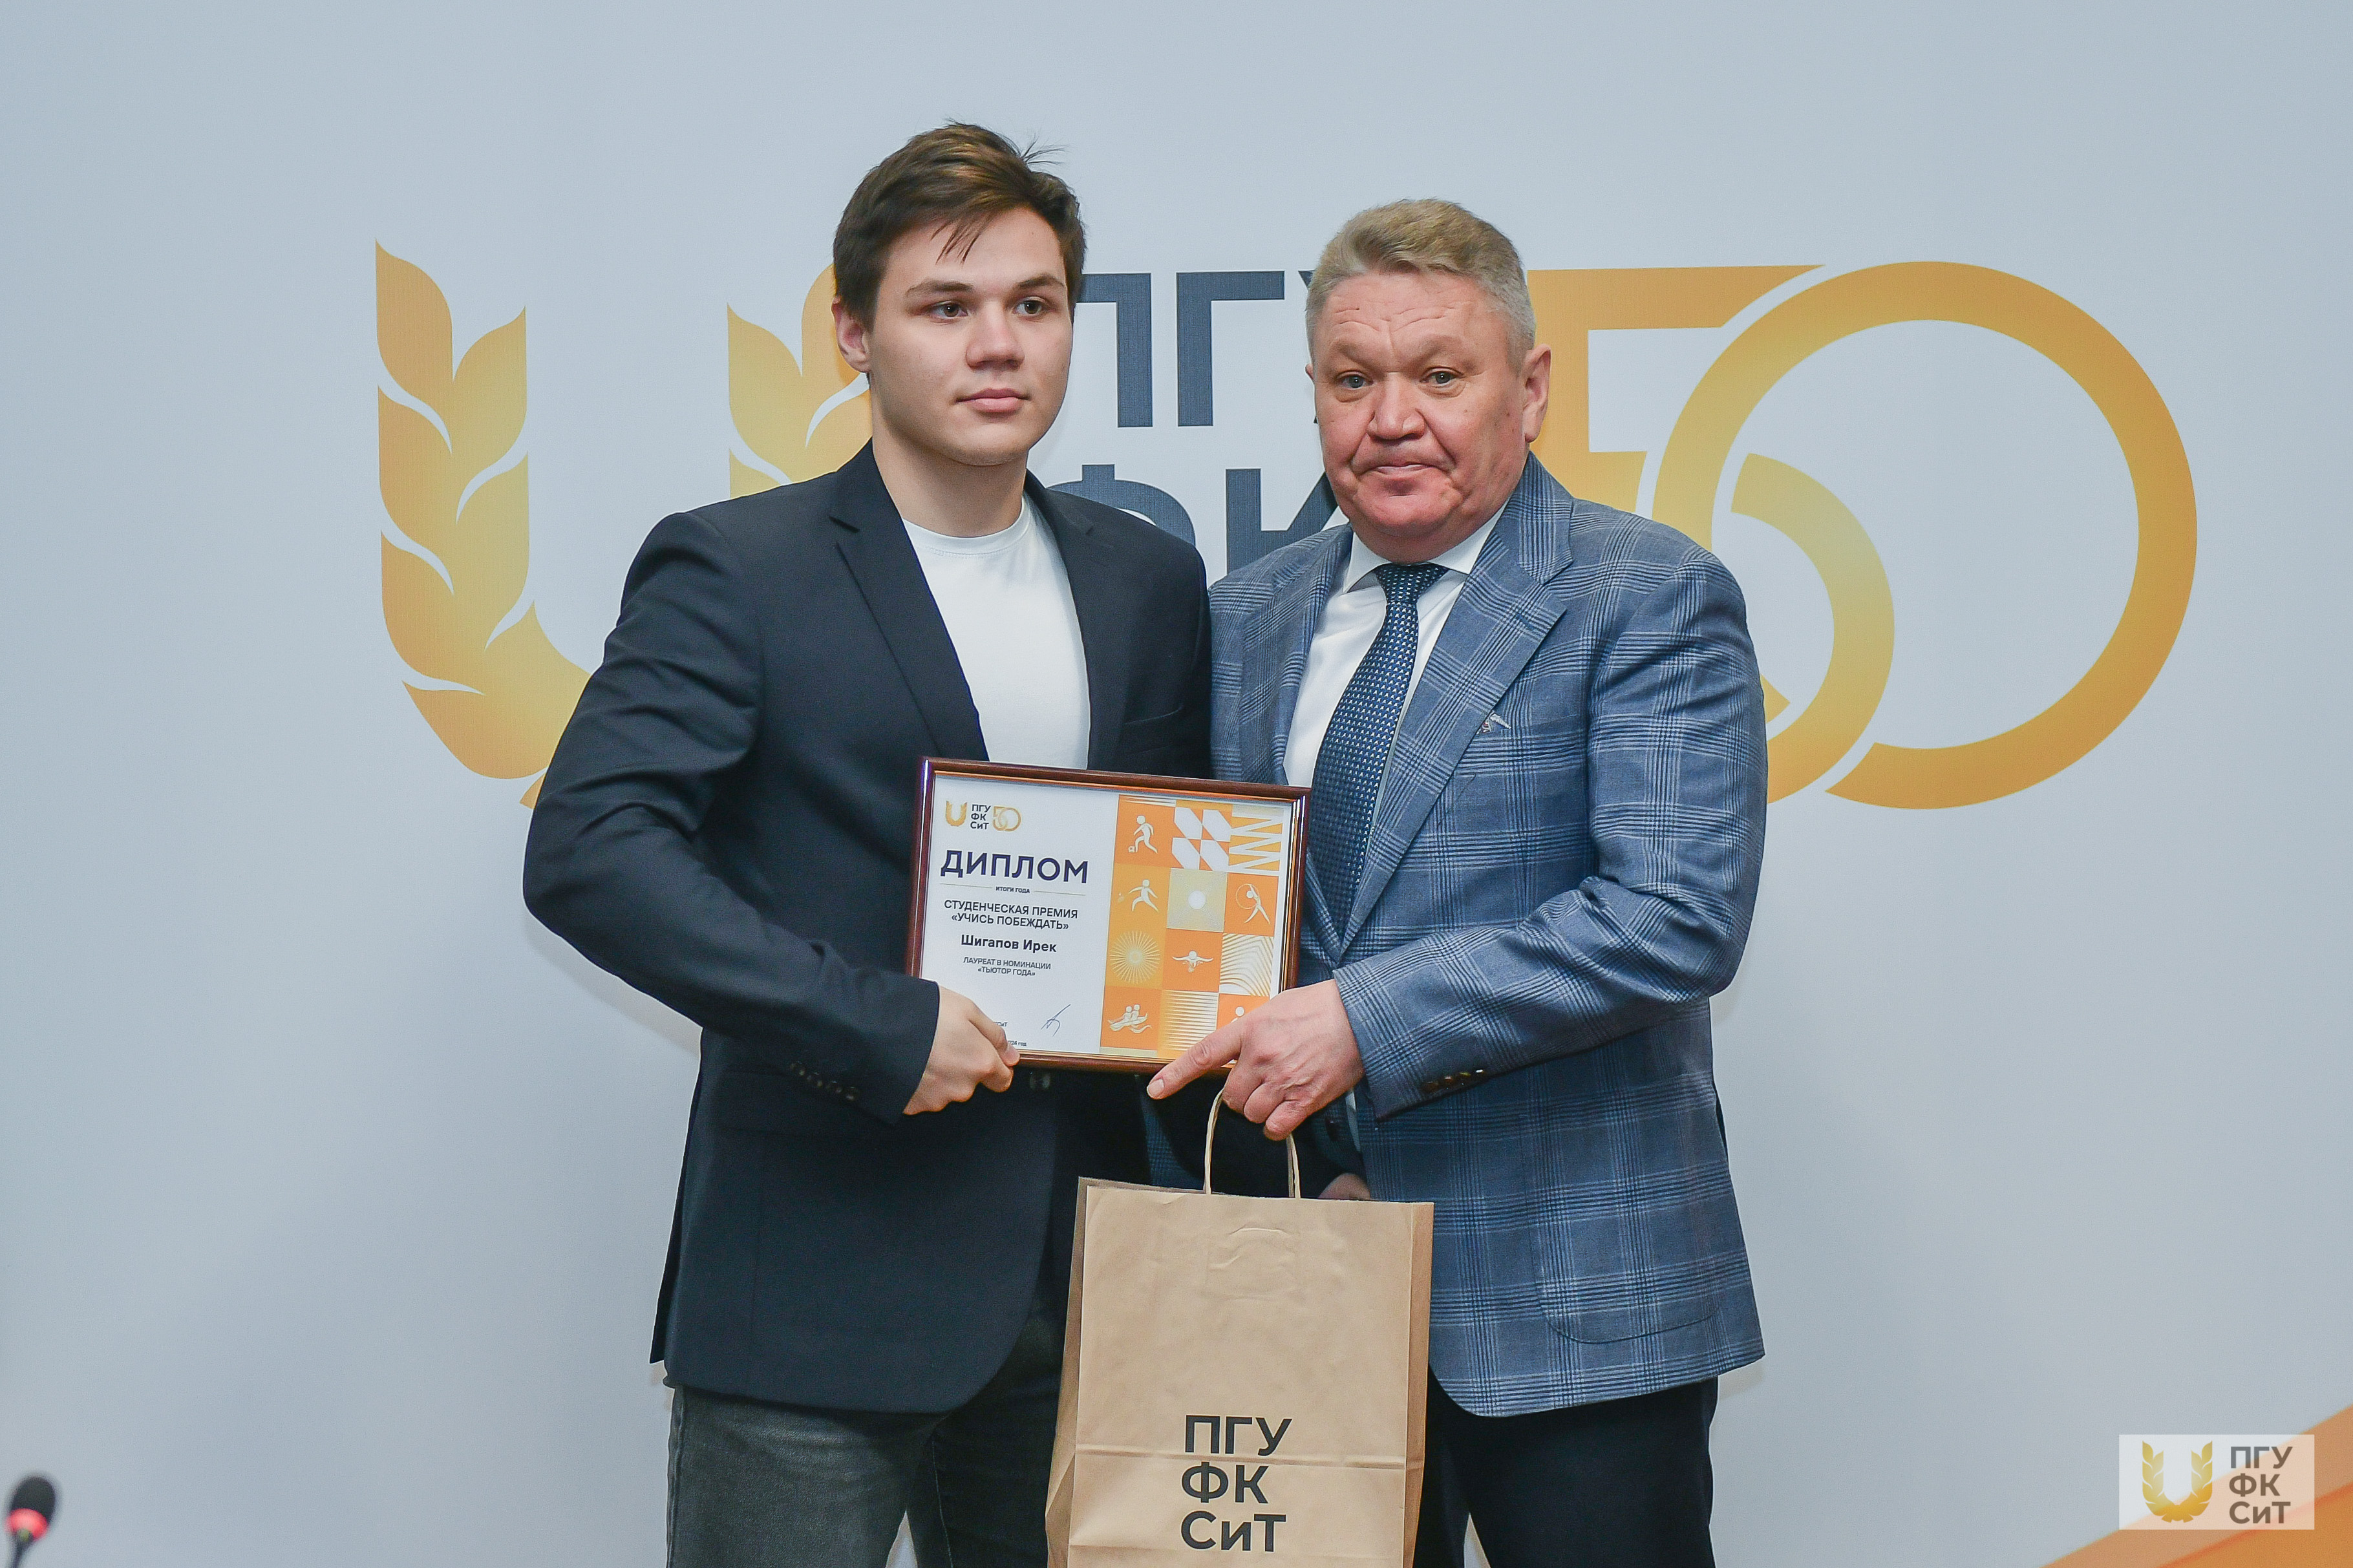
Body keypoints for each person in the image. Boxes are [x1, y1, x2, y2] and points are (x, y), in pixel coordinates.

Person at [524, 124, 1211, 1568]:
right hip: (814, 1284)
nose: (997, 345)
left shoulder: (1148, 578)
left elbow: (1185, 876)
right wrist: (872, 1023)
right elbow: (591, 846)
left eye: (1033, 304)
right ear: (852, 332)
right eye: (944, 306)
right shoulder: (737, 567)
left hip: (1084, 1280)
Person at [1148, 200, 1768, 1568]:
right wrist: (1306, 1158)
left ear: (1528, 389)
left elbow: (1672, 917)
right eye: (1351, 379)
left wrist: (1365, 1023)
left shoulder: (1647, 593)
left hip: (1577, 1307)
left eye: (1439, 375)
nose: (1392, 420)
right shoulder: (1244, 615)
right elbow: (1216, 921)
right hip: (1306, 1283)